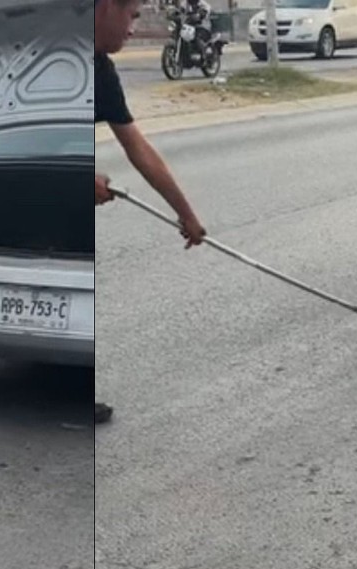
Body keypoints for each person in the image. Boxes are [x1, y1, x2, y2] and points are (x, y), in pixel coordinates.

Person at [95, 0, 209, 425]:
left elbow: (137, 147)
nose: (134, 26)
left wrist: (187, 215)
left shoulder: (101, 71)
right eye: (133, 14)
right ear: (106, 8)